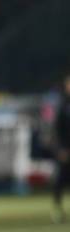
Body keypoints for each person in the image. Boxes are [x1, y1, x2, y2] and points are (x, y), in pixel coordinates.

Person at [53, 75, 70, 222]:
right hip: (66, 149)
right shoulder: (63, 105)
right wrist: (61, 148)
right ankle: (58, 209)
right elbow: (57, 129)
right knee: (61, 180)